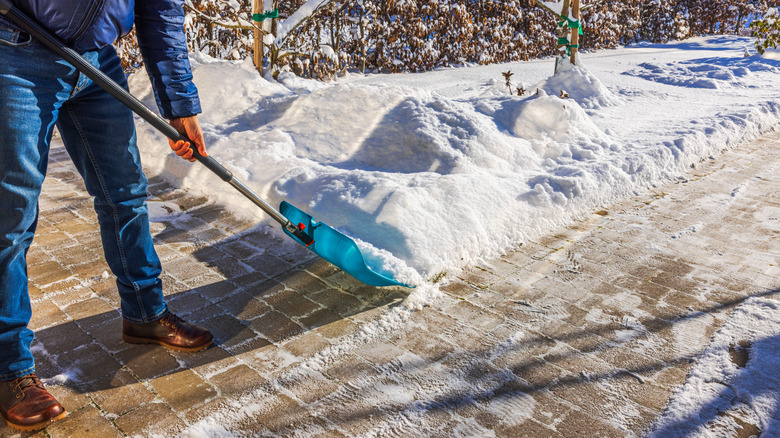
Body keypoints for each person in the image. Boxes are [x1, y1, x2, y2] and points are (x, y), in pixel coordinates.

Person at [0, 0, 214, 431]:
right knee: (11, 221)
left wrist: (180, 105)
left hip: (96, 61)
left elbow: (160, 11)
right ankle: (8, 369)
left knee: (126, 194)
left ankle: (144, 313)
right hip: (18, 53)